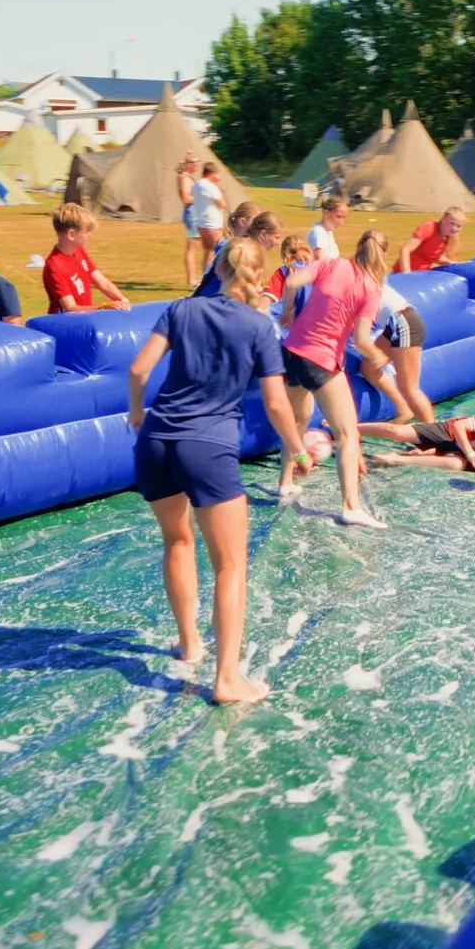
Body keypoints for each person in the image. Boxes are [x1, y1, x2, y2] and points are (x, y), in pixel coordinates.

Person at [124, 240, 310, 706]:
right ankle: (227, 678)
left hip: (157, 442)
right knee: (231, 565)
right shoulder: (258, 327)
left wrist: (135, 414)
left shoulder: (181, 309)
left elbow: (138, 369)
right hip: (206, 448)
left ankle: (189, 644)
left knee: (177, 540)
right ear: (260, 275)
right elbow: (274, 401)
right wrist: (297, 447)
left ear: (218, 268)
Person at [274, 229, 389, 528]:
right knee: (348, 434)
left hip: (292, 352)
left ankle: (286, 481)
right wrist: (378, 357)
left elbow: (292, 280)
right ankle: (351, 506)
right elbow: (362, 340)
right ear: (382, 255)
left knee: (298, 419)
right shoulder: (371, 287)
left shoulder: (334, 263)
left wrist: (288, 311)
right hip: (321, 360)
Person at [363, 278, 435, 424]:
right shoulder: (361, 279)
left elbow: (360, 335)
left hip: (403, 323)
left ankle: (434, 434)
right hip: (396, 323)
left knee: (409, 388)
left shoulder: (358, 283)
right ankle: (404, 410)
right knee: (368, 367)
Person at [44, 202, 132, 316]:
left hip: (84, 319)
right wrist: (104, 307)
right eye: (87, 231)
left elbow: (103, 283)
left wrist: (124, 301)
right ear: (71, 235)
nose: (90, 235)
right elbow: (70, 308)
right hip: (66, 326)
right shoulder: (54, 266)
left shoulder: (79, 251)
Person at [398, 207, 465, 272]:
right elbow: (405, 249)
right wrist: (406, 273)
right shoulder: (429, 227)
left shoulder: (446, 237)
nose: (455, 228)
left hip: (420, 275)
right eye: (452, 223)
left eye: (458, 226)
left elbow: (433, 256)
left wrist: (452, 263)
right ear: (443, 220)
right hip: (401, 274)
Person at [191, 161, 229, 269]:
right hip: (213, 224)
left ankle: (205, 277)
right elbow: (222, 203)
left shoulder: (196, 185)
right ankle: (214, 278)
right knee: (219, 252)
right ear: (212, 173)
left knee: (208, 251)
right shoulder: (210, 187)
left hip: (202, 224)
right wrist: (217, 186)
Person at [268, 234, 316, 314]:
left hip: (293, 320)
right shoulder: (317, 268)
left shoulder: (283, 271)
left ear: (283, 254)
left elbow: (270, 297)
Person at [177, 155, 204, 286]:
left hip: (196, 213)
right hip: (192, 214)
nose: (197, 166)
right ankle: (191, 279)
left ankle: (194, 277)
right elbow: (186, 199)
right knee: (192, 248)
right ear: (188, 164)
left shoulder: (189, 178)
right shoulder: (184, 178)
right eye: (195, 163)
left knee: (196, 247)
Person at [308, 195, 348, 261]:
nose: (341, 222)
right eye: (338, 217)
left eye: (343, 218)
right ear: (326, 213)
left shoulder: (328, 232)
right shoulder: (318, 233)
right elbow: (322, 262)